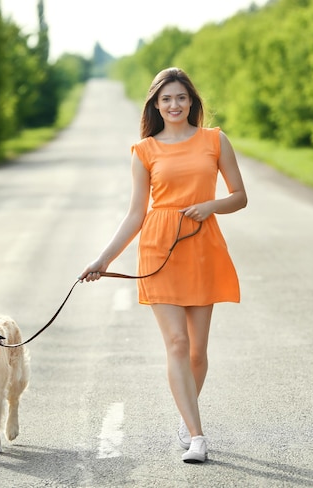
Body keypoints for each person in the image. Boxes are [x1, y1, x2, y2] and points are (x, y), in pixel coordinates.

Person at [79, 67, 247, 463]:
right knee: (177, 343)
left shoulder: (214, 140)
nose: (174, 105)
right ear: (156, 104)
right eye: (166, 99)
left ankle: (186, 419)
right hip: (159, 249)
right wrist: (102, 260)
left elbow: (240, 196)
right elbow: (135, 214)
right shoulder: (145, 150)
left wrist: (212, 205)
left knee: (198, 353)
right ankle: (197, 435)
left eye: (181, 98)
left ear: (192, 101)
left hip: (202, 246)